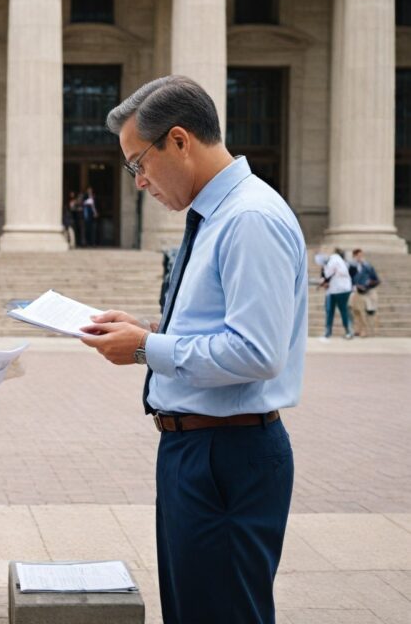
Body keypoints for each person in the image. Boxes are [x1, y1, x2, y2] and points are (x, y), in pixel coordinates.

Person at [80, 75, 306, 624]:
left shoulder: (248, 218)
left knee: (222, 612)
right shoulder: (216, 215)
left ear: (179, 141)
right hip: (199, 450)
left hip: (226, 455)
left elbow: (257, 352)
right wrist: (149, 329)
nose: (137, 181)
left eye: (138, 162)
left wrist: (146, 349)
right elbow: (220, 323)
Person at [321, 248, 354, 340]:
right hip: (340, 289)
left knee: (332, 311)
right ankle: (348, 331)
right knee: (342, 310)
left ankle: (330, 332)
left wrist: (324, 268)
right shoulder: (341, 262)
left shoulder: (333, 259)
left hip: (337, 290)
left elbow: (327, 274)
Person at [350, 248, 381, 337]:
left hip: (366, 292)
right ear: (354, 256)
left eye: (361, 255)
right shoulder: (352, 267)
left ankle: (364, 330)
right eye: (358, 256)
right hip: (355, 291)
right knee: (356, 311)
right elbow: (349, 278)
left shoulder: (368, 266)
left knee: (363, 312)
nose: (360, 257)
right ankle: (357, 330)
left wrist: (367, 285)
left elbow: (376, 279)